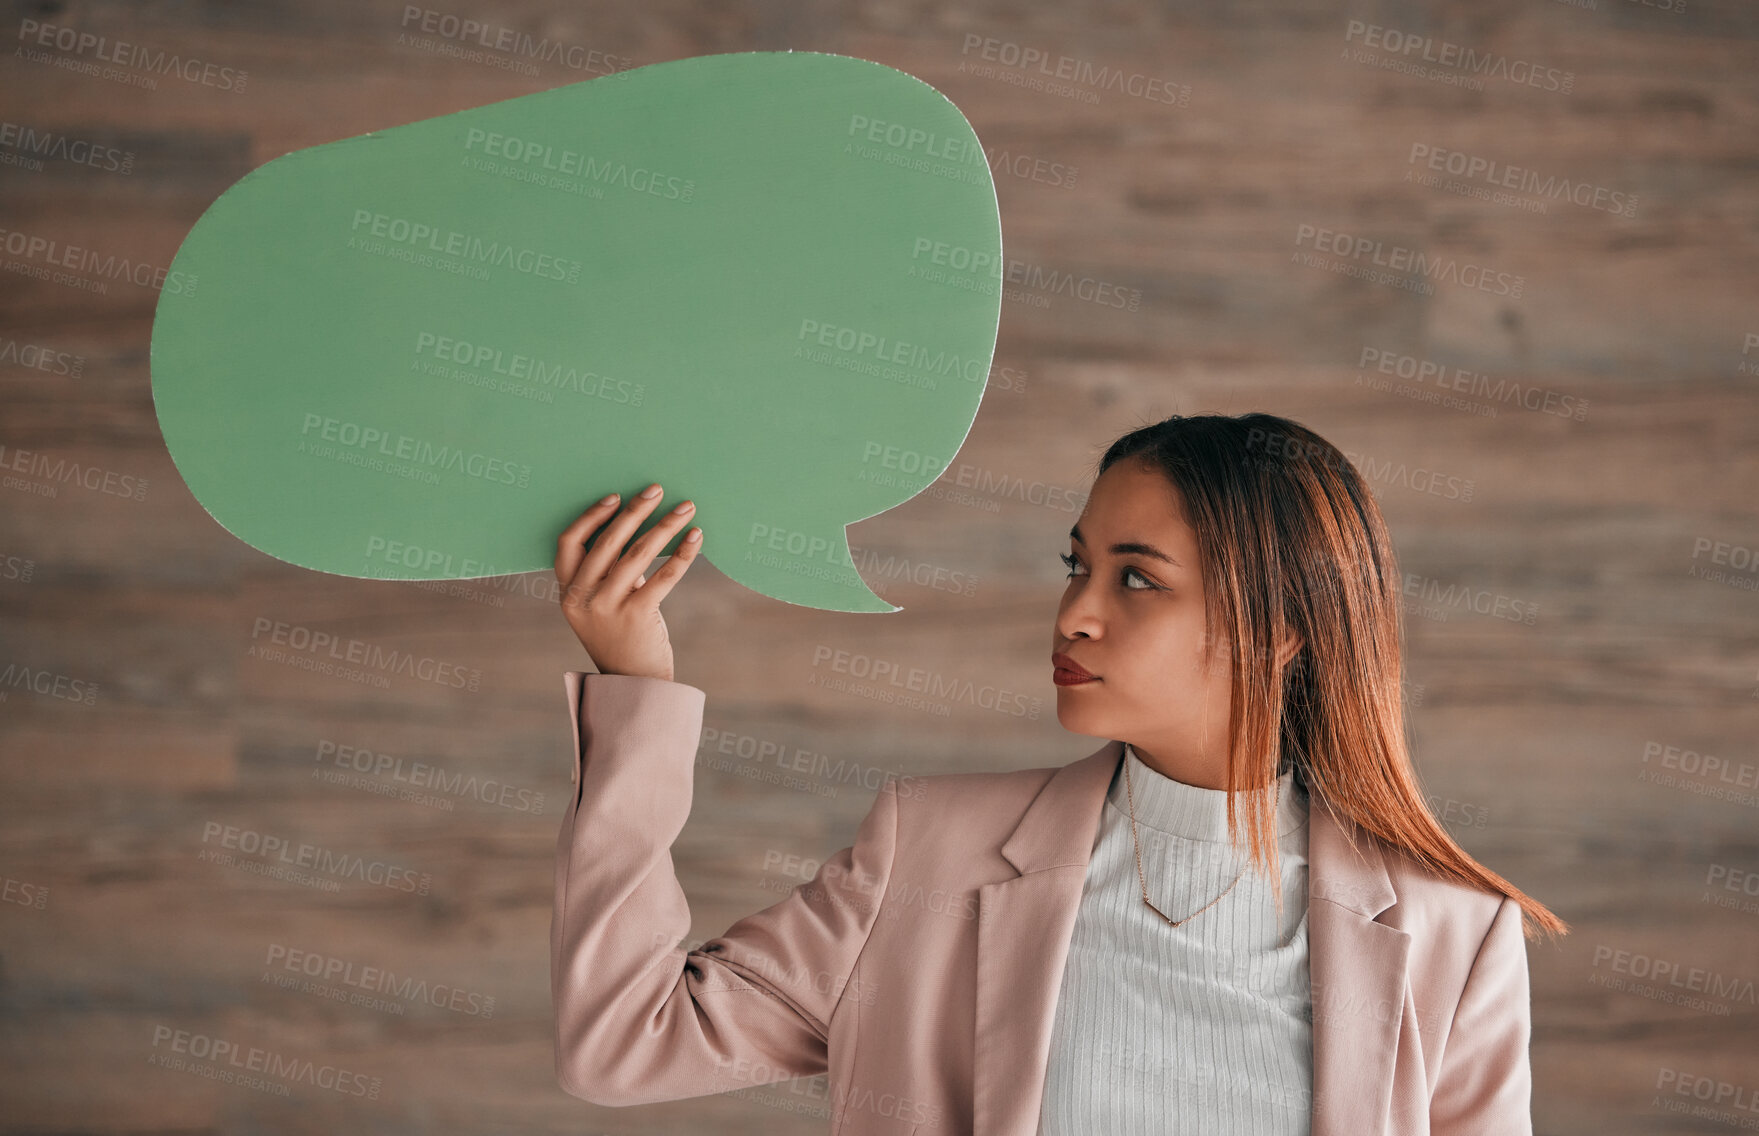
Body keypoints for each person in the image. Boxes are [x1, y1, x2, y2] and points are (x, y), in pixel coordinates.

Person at [548, 411, 1567, 1136]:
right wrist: (634, 682)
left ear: (1283, 628)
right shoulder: (928, 854)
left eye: (1136, 577)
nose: (1075, 612)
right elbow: (621, 1041)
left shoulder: (1449, 928)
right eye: (1075, 563)